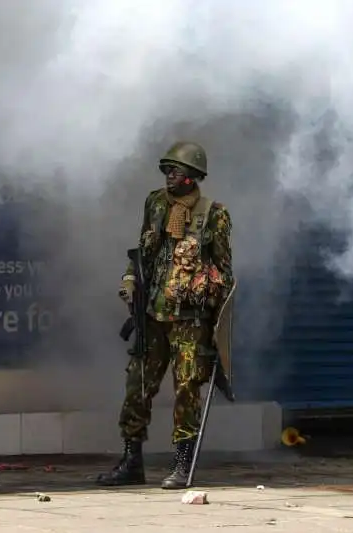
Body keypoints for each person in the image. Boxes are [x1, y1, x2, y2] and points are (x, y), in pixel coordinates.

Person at [96, 141, 235, 490]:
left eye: (176, 171)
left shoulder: (213, 215)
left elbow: (225, 274)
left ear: (192, 176)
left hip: (190, 321)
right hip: (153, 315)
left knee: (187, 389)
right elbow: (142, 253)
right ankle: (132, 461)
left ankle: (181, 464)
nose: (169, 176)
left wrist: (208, 299)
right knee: (137, 385)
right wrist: (130, 280)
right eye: (167, 170)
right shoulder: (155, 204)